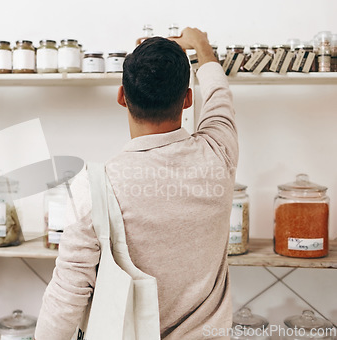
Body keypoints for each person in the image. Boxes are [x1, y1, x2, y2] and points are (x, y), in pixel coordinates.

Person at [35, 27, 238, 340]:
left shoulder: (96, 185)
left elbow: (66, 295)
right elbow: (219, 97)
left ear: (121, 96)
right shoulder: (219, 153)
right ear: (187, 100)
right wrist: (201, 46)